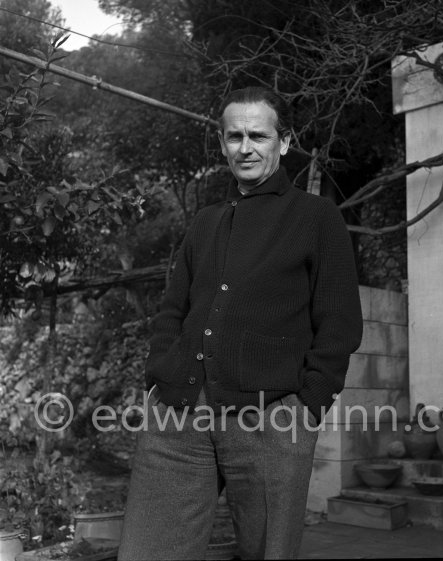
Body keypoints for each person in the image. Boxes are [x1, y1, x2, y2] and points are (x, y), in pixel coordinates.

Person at [117, 86, 363, 560]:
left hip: (272, 421)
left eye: (258, 135)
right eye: (234, 136)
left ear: (283, 141)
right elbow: (173, 309)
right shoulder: (205, 223)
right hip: (178, 413)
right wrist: (157, 377)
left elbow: (339, 322)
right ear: (222, 142)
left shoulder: (316, 217)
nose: (245, 147)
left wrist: (308, 404)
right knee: (147, 550)